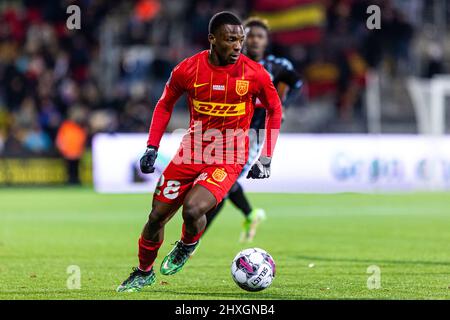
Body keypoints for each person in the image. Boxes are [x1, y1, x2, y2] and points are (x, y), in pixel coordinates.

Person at [117, 11, 282, 292]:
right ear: (212, 40)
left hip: (229, 156)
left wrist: (265, 157)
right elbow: (164, 104)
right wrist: (152, 147)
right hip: (190, 153)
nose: (238, 46)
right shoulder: (188, 69)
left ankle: (187, 245)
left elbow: (275, 109)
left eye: (240, 40)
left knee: (193, 209)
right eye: (231, 39)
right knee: (156, 216)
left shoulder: (254, 74)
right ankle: (143, 272)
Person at [204, 17, 302, 242]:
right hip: (224, 132)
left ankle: (193, 239)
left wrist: (283, 106)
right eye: (251, 36)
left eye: (260, 36)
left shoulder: (278, 66)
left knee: (223, 185)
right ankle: (251, 214)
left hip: (253, 134)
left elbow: (297, 84)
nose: (255, 41)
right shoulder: (230, 64)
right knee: (216, 179)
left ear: (266, 41)